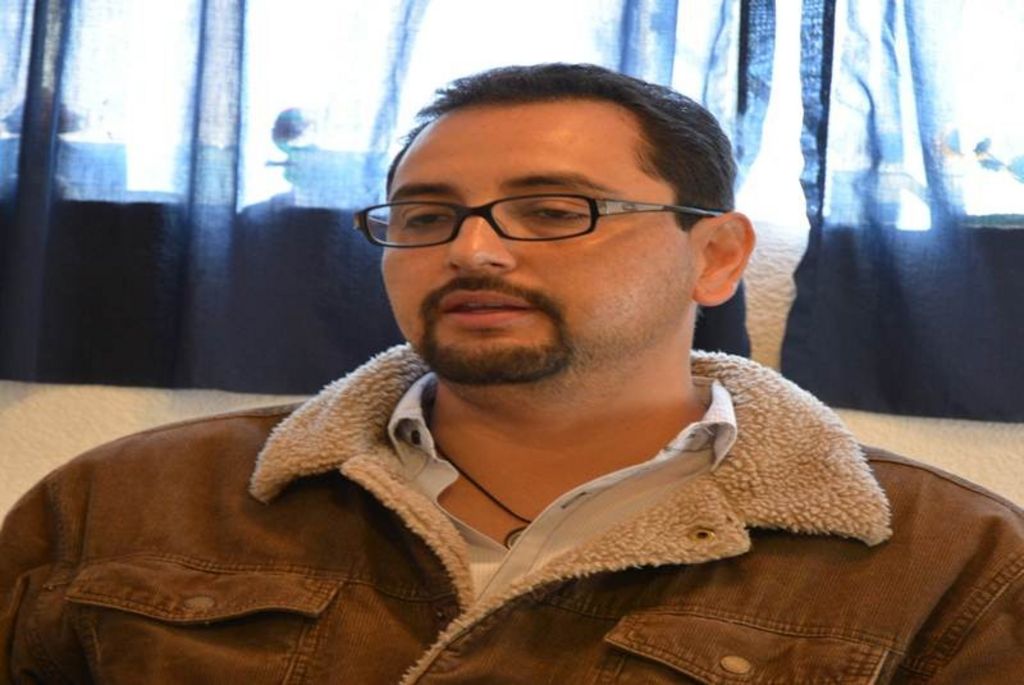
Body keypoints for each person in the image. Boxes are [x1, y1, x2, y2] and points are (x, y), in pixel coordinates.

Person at [1, 63, 1021, 684]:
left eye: (554, 210)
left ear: (715, 256)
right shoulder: (129, 502)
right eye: (427, 215)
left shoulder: (949, 565)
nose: (473, 250)